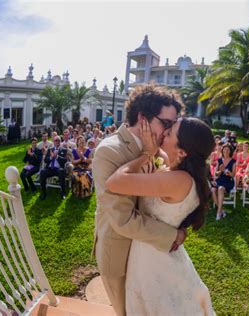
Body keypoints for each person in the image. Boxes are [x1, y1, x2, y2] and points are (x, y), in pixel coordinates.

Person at [92, 84, 187, 316]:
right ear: (143, 118)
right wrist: (172, 236)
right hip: (120, 255)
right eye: (165, 123)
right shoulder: (109, 152)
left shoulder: (158, 151)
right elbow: (123, 220)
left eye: (172, 125)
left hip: (150, 254)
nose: (168, 131)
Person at [105, 117, 215, 315]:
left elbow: (114, 182)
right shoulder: (179, 173)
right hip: (158, 250)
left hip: (154, 261)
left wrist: (146, 153)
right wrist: (154, 150)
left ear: (182, 152)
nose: (164, 132)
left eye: (170, 132)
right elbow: (162, 160)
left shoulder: (177, 180)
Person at [211, 144, 236, 221]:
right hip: (220, 179)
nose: (226, 151)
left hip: (228, 181)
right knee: (212, 190)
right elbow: (216, 174)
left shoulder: (233, 161)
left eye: (228, 149)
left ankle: (218, 212)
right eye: (224, 149)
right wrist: (221, 171)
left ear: (230, 151)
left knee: (221, 188)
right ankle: (222, 210)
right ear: (222, 150)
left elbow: (233, 175)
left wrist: (229, 173)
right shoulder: (219, 160)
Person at [39, 136, 68, 200]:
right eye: (56, 140)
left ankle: (63, 192)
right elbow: (45, 160)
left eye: (58, 140)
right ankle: (43, 192)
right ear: (53, 142)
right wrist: (51, 157)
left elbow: (64, 160)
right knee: (42, 172)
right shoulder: (50, 149)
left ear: (60, 142)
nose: (57, 142)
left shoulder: (64, 149)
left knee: (61, 171)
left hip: (58, 169)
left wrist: (57, 156)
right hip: (50, 169)